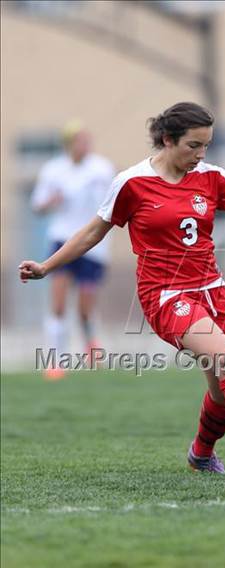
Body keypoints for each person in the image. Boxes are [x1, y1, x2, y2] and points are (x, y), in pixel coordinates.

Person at [20, 102, 225, 474]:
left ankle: (201, 454)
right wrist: (46, 266)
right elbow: (93, 232)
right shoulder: (131, 183)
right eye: (193, 146)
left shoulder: (213, 177)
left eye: (206, 146)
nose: (200, 154)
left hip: (212, 290)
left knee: (223, 392)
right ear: (167, 140)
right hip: (166, 295)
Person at [30, 120, 115, 380]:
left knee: (85, 308)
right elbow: (37, 205)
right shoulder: (54, 170)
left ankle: (91, 344)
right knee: (58, 304)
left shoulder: (102, 168)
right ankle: (55, 360)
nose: (84, 145)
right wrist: (49, 202)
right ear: (69, 145)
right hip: (63, 241)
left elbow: (114, 202)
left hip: (92, 244)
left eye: (87, 140)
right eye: (79, 141)